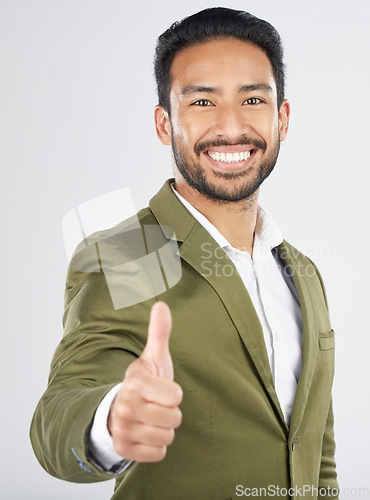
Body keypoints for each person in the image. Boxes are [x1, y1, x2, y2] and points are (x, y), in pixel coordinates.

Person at [30, 7, 339, 500]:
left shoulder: (302, 269)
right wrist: (111, 420)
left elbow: (314, 447)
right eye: (202, 103)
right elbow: (64, 406)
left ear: (282, 118)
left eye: (253, 98)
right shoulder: (133, 254)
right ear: (163, 123)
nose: (231, 127)